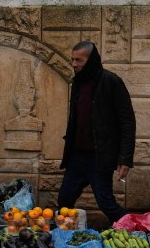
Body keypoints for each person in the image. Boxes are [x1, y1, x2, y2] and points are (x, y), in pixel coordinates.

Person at [56, 41, 136, 225]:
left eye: (79, 60)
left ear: (91, 60)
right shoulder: (77, 83)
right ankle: (65, 240)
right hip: (77, 156)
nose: (74, 64)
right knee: (64, 201)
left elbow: (127, 121)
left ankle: (139, 231)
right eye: (73, 60)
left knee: (106, 203)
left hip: (99, 157)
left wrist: (125, 159)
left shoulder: (111, 82)